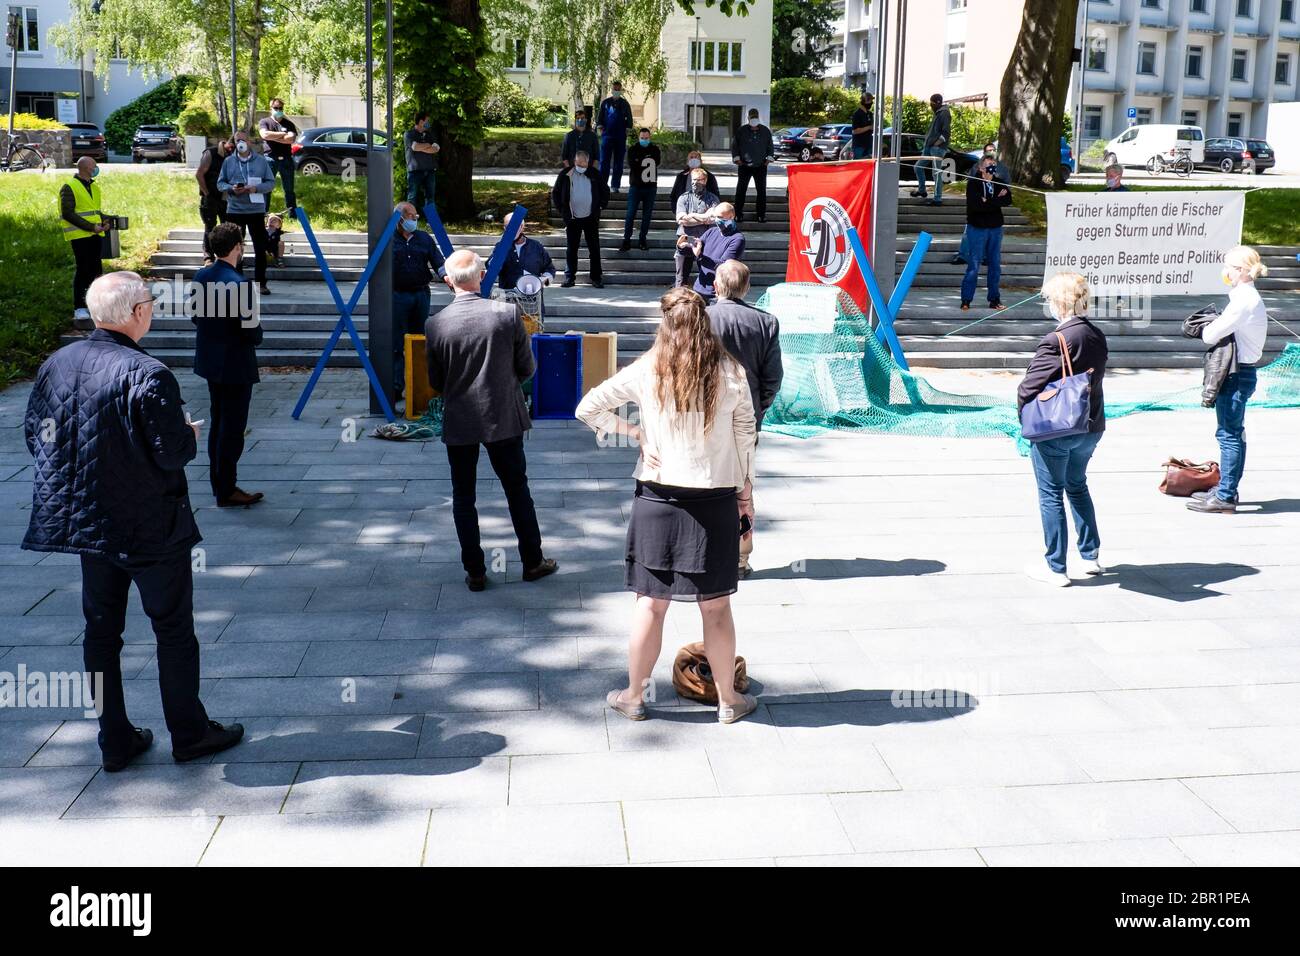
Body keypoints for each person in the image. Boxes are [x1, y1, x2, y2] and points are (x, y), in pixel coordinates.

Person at [22, 271, 245, 771]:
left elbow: (36, 436)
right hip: (149, 526)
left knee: (101, 633)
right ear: (137, 313)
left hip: (87, 524)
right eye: (149, 301)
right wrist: (187, 433)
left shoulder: (57, 364)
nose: (152, 309)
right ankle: (189, 733)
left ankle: (114, 738)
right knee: (172, 630)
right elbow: (171, 454)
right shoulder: (148, 372)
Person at [575, 287, 758, 724]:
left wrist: (634, 433)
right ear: (705, 323)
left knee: (650, 604)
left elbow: (588, 408)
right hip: (714, 500)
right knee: (716, 607)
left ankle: (634, 696)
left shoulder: (647, 369)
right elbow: (745, 437)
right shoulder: (730, 372)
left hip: (657, 497)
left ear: (665, 323)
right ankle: (729, 701)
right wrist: (745, 493)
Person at [424, 250, 559, 591]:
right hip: (502, 415)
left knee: (463, 496)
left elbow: (436, 381)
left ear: (447, 281)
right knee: (517, 490)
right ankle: (532, 561)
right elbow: (527, 367)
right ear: (482, 276)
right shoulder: (506, 314)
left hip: (461, 418)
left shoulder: (435, 324)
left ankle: (475, 571)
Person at [1017, 272, 1108, 587]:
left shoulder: (1056, 339)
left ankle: (1056, 567)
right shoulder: (1096, 333)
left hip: (1059, 428)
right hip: (1091, 424)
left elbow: (1028, 387)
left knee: (1051, 492)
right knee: (1077, 486)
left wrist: (1024, 421)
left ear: (1058, 301)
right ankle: (1091, 555)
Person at [706, 260, 783, 577]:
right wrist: (758, 408)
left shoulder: (702, 318)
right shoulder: (766, 322)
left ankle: (707, 554)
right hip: (747, 419)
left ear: (715, 286)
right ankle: (739, 559)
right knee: (743, 491)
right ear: (747, 288)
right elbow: (773, 378)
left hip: (705, 416)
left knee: (706, 487)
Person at [1188, 246, 1270, 514]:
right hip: (1241, 372)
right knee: (1234, 433)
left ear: (1241, 270)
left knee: (1229, 435)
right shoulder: (1244, 297)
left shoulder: (1244, 300)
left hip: (1236, 374)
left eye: (1228, 266)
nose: (1225, 271)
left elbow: (1210, 335)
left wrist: (1206, 325)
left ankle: (1224, 496)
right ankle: (1226, 489)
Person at [192, 222, 265, 508]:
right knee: (232, 428)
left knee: (218, 421)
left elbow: (197, 317)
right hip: (236, 362)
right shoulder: (241, 285)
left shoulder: (202, 276)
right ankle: (227, 488)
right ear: (237, 247)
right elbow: (252, 332)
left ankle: (218, 483)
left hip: (211, 361)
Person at [391, 201, 449, 400]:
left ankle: (419, 386)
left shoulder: (424, 238)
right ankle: (396, 387)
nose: (415, 220)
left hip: (420, 294)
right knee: (397, 342)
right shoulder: (388, 239)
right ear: (399, 219)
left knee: (419, 341)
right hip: (397, 295)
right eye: (410, 216)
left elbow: (438, 261)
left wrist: (448, 277)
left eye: (416, 216)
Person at [217, 130, 275, 295]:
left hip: (256, 210)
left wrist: (257, 188)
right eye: (237, 141)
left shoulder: (261, 161)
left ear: (249, 142)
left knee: (260, 247)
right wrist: (232, 189)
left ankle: (261, 283)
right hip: (235, 210)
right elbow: (220, 183)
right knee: (235, 248)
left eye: (243, 140)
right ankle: (237, 282)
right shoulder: (228, 161)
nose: (240, 143)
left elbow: (271, 183)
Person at [960, 154, 1012, 311]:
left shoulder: (999, 183)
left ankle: (994, 299)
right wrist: (995, 200)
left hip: (995, 228)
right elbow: (976, 206)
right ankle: (966, 299)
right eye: (989, 164)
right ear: (981, 167)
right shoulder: (973, 184)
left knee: (995, 265)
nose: (992, 167)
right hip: (977, 228)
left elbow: (1008, 199)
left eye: (994, 164)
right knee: (974, 265)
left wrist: (988, 200)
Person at [61, 155, 106, 328]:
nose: (96, 168)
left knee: (96, 270)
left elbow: (93, 210)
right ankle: (79, 307)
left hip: (95, 235)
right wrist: (90, 227)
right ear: (86, 168)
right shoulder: (69, 187)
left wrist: (104, 221)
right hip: (80, 236)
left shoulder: (94, 187)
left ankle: (94, 305)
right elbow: (68, 213)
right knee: (83, 270)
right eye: (94, 165)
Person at [551, 150, 608, 288]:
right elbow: (556, 193)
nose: (582, 166)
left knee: (594, 249)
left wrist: (600, 207)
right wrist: (563, 211)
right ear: (575, 161)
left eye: (585, 163)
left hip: (590, 218)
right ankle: (569, 277)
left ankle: (596, 277)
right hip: (573, 218)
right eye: (580, 163)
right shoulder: (565, 174)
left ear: (588, 162)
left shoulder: (595, 174)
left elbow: (605, 191)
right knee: (572, 249)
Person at [678, 202, 745, 298]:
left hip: (717, 294)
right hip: (699, 289)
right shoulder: (711, 232)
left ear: (731, 217)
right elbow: (694, 250)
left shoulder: (737, 239)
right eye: (715, 217)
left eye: (720, 217)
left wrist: (700, 256)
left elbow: (724, 265)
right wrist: (682, 247)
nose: (717, 220)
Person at [674, 167, 719, 288]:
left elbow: (712, 219)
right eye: (693, 180)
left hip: (705, 241)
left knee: (707, 276)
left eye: (698, 180)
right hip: (685, 239)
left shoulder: (712, 199)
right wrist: (703, 218)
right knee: (681, 278)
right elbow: (681, 220)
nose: (694, 183)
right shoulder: (683, 197)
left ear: (704, 181)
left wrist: (692, 216)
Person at [258, 97, 299, 219]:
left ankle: (293, 214)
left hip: (286, 159)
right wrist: (282, 134)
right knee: (267, 187)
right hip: (270, 158)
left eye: (280, 108)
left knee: (289, 188)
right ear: (271, 109)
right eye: (276, 108)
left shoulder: (289, 124)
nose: (278, 110)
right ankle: (263, 213)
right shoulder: (265, 122)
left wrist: (273, 137)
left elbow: (290, 140)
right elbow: (265, 135)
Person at [621, 127, 660, 252]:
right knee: (630, 214)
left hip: (650, 187)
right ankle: (626, 240)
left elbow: (656, 162)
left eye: (646, 138)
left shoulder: (655, 149)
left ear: (650, 137)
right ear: (639, 137)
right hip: (636, 187)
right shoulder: (633, 149)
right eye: (642, 138)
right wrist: (645, 161)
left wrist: (641, 161)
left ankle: (642, 239)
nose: (644, 140)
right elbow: (633, 164)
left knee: (647, 216)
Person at [732, 108, 774, 222]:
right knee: (741, 190)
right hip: (744, 166)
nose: (753, 118)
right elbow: (735, 146)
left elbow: (770, 146)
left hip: (760, 166)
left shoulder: (765, 131)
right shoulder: (741, 130)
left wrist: (768, 160)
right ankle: (738, 214)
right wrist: (737, 159)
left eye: (755, 116)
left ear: (758, 117)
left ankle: (761, 215)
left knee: (761, 191)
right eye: (752, 116)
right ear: (748, 118)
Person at [196, 138, 233, 264]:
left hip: (226, 197)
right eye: (231, 146)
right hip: (210, 196)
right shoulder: (210, 153)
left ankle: (224, 256)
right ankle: (208, 257)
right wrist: (207, 193)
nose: (232, 149)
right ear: (227, 142)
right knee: (209, 227)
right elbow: (199, 174)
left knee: (226, 228)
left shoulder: (234, 155)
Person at [596, 80, 635, 193]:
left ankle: (615, 185)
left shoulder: (625, 104)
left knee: (618, 162)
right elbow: (600, 119)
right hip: (607, 136)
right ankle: (602, 185)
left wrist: (627, 130)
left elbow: (630, 120)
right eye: (615, 89)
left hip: (620, 137)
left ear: (621, 90)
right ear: (612, 90)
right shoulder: (605, 103)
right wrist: (600, 129)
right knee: (604, 162)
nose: (616, 91)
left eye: (618, 89)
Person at [913, 93, 951, 206]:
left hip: (937, 148)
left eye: (932, 103)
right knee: (918, 167)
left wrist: (936, 144)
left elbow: (946, 132)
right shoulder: (938, 112)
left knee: (936, 173)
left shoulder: (944, 113)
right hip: (929, 147)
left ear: (936, 103)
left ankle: (937, 198)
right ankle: (922, 190)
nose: (930, 105)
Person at [498, 220, 556, 291]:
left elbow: (550, 268)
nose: (511, 229)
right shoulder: (500, 246)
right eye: (507, 227)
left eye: (514, 226)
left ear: (522, 227)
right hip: (508, 297)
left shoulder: (536, 246)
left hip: (533, 297)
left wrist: (543, 279)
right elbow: (490, 266)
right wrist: (502, 250)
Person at [405, 110, 440, 213]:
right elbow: (415, 147)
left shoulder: (430, 134)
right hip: (415, 171)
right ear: (421, 122)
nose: (428, 123)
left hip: (430, 170)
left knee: (430, 197)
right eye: (427, 121)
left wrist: (422, 147)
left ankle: (432, 222)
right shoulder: (409, 134)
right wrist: (429, 145)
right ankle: (409, 222)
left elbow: (436, 148)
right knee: (412, 198)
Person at [851, 91, 874, 159]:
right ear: (864, 101)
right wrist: (869, 127)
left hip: (869, 145)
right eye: (870, 101)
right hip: (859, 146)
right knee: (858, 165)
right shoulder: (857, 114)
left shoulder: (870, 114)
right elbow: (855, 131)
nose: (871, 103)